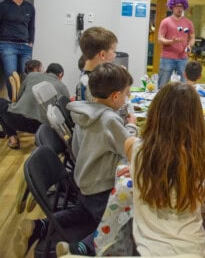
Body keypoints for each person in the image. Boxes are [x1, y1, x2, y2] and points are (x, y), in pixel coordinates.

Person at [13, 63, 138, 257]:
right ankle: (80, 249)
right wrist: (131, 126)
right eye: (126, 93)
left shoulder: (83, 111)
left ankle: (40, 226)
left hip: (84, 183)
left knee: (83, 213)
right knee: (119, 223)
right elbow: (130, 147)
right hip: (102, 188)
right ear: (115, 96)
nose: (127, 98)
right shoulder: (109, 120)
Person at [122, 83, 205, 256]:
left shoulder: (133, 147)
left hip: (150, 251)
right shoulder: (199, 157)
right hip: (194, 250)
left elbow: (160, 160)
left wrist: (135, 167)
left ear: (155, 113)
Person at [0, 63, 69, 149]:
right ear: (60, 75)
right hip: (41, 128)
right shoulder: (63, 87)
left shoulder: (31, 76)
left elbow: (19, 97)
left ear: (45, 71)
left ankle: (13, 138)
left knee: (1, 102)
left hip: (18, 120)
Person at [0, 0, 35, 99]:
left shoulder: (30, 8)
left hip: (25, 46)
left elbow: (31, 27)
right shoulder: (4, 6)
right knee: (11, 75)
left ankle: (23, 103)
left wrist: (31, 42)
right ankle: (14, 102)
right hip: (7, 45)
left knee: (27, 76)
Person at [157, 0, 195, 89]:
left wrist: (189, 46)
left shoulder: (188, 22)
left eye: (181, 6)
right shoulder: (165, 21)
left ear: (184, 7)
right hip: (167, 58)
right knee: (162, 85)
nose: (179, 8)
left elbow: (192, 37)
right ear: (172, 7)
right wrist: (171, 41)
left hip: (183, 58)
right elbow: (160, 39)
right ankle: (161, 103)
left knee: (184, 86)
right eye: (177, 6)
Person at [76, 27, 118, 101]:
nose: (115, 55)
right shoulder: (93, 83)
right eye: (114, 51)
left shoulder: (86, 77)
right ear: (102, 55)